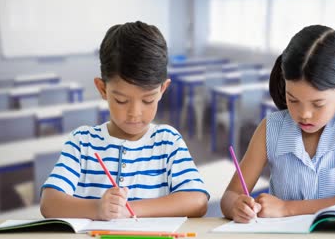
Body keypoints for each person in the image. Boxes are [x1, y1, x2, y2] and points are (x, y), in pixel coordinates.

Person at [40, 21, 209, 220]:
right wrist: (97, 209)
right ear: (102, 89)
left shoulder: (168, 141)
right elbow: (49, 203)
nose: (134, 113)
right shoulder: (82, 141)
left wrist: (128, 209)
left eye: (148, 100)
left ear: (162, 90)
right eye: (121, 100)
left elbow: (198, 202)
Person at [220, 25, 335, 223]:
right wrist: (236, 206)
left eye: (318, 104)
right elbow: (230, 195)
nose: (304, 115)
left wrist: (286, 208)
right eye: (293, 100)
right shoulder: (270, 128)